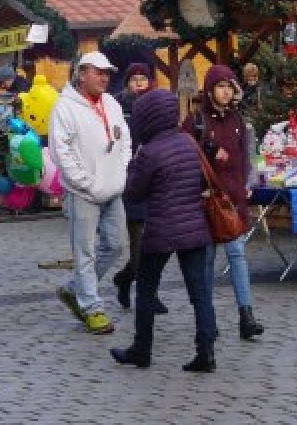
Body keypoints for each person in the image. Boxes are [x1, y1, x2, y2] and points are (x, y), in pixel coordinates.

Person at [111, 88, 219, 373]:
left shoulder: (149, 152)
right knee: (200, 293)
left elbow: (133, 193)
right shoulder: (188, 142)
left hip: (160, 228)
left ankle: (141, 349)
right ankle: (206, 351)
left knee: (146, 290)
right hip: (194, 226)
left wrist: (133, 165)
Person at [48, 51, 132, 336]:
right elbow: (62, 152)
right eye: (98, 72)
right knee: (84, 252)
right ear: (81, 74)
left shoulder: (111, 103)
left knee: (117, 245)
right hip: (82, 192)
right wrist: (84, 183)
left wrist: (120, 172)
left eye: (107, 72)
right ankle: (92, 307)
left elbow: (124, 140)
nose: (104, 77)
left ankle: (75, 290)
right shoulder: (65, 107)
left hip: (113, 188)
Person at [189, 64, 264, 340]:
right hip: (207, 200)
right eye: (220, 86)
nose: (225, 92)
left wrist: (248, 184)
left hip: (233, 201)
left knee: (237, 255)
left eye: (229, 87)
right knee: (207, 260)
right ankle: (208, 320)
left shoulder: (237, 121)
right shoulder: (197, 121)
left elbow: (246, 156)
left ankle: (246, 315)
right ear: (210, 90)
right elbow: (187, 154)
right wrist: (208, 149)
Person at [111, 64, 164, 315]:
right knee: (141, 245)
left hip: (157, 184)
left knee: (159, 246)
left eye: (143, 79)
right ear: (127, 84)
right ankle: (149, 296)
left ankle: (125, 278)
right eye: (134, 80)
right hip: (132, 183)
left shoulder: (158, 108)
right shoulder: (119, 110)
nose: (139, 84)